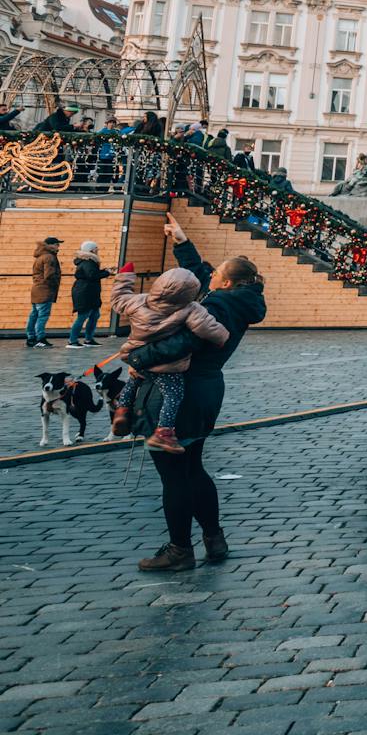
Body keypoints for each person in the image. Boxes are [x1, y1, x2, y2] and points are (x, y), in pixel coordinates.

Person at [122, 216, 267, 570]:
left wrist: (137, 357)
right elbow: (198, 277)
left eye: (217, 273)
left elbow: (181, 343)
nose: (211, 275)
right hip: (206, 390)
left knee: (174, 475)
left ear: (227, 282)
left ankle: (179, 549)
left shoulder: (216, 306)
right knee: (193, 467)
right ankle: (214, 539)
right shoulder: (235, 301)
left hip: (180, 389)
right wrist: (183, 242)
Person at [105, 255, 230, 454]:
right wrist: (223, 337)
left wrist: (125, 275)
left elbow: (118, 298)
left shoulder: (138, 301)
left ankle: (122, 411)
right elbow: (209, 329)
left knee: (134, 379)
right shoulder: (190, 309)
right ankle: (164, 433)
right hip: (165, 363)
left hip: (136, 355)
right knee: (173, 393)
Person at [66, 239, 107, 347]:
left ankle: (88, 339)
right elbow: (92, 275)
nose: (97, 250)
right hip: (85, 292)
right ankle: (72, 340)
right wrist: (106, 273)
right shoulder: (88, 261)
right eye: (96, 248)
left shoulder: (88, 261)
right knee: (83, 316)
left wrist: (105, 271)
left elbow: (92, 274)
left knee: (94, 315)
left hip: (89, 292)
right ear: (91, 250)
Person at [26, 236, 62, 348]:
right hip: (45, 290)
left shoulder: (40, 256)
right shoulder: (49, 257)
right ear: (50, 245)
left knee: (34, 315)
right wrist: (55, 284)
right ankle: (40, 338)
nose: (58, 246)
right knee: (42, 316)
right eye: (56, 244)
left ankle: (31, 338)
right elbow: (49, 275)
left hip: (37, 289)